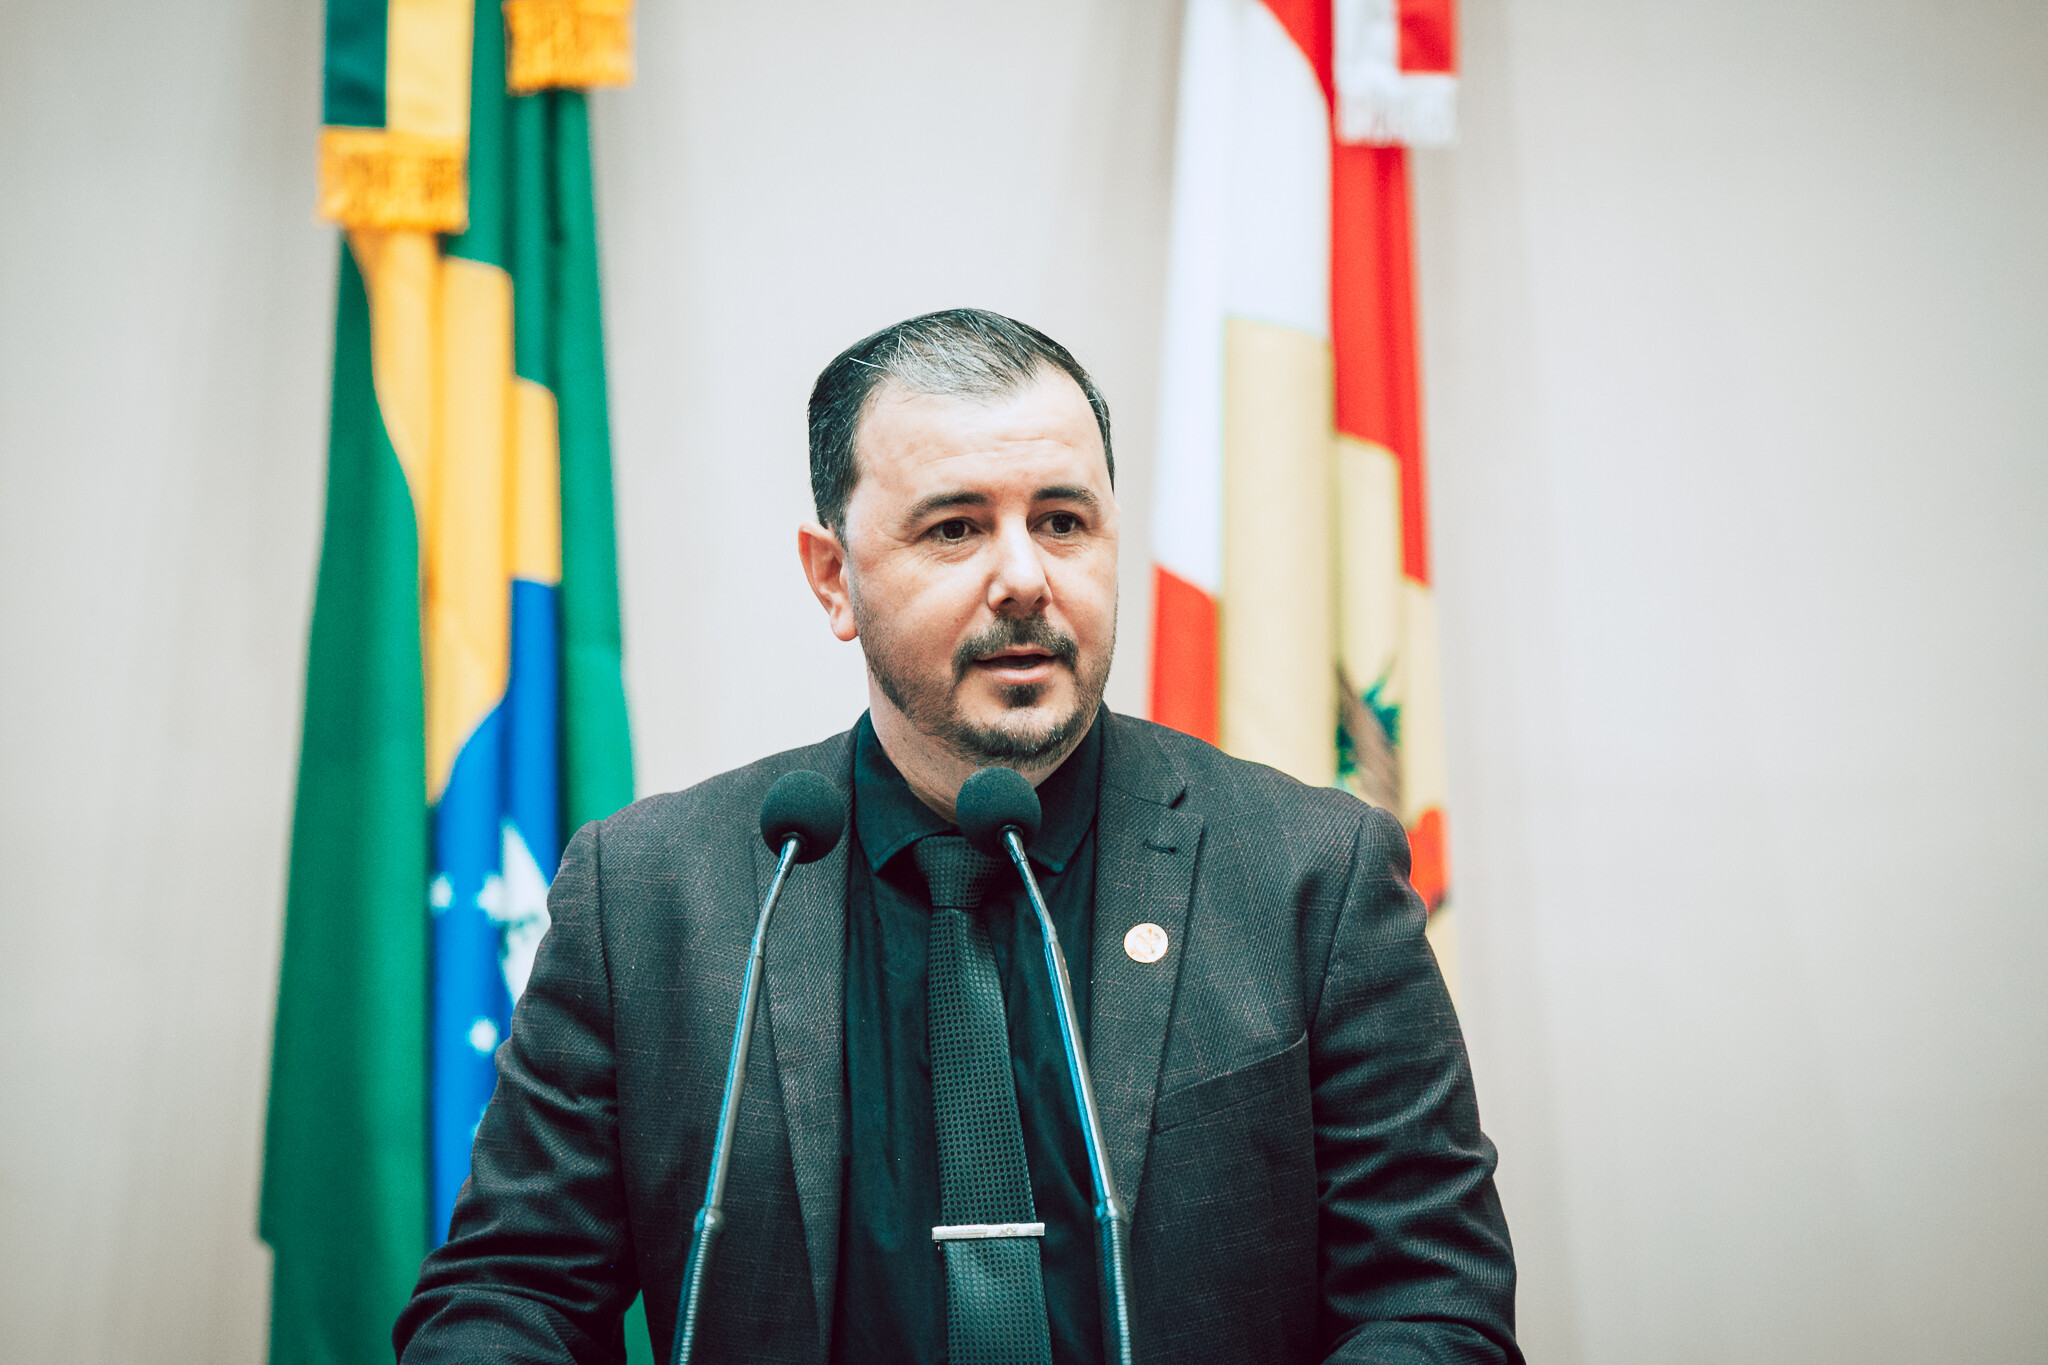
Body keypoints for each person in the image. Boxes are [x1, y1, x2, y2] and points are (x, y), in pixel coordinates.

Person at [395, 309, 1521, 1364]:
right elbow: (508, 1293)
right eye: (955, 528)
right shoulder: (650, 895)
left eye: (1063, 522)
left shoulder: (1311, 874)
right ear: (834, 579)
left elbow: (1433, 1301)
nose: (1024, 578)